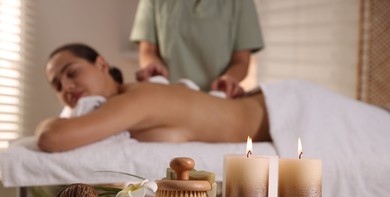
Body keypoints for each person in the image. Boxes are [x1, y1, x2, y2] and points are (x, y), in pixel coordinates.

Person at [36, 43, 270, 153]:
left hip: (280, 108)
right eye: (56, 85)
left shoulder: (135, 99)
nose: (66, 86)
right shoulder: (124, 107)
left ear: (102, 64)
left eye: (72, 72)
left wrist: (49, 122)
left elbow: (51, 137)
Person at [130, 0, 264, 98]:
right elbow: (147, 51)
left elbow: (241, 61)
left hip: (218, 101)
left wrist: (229, 79)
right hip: (166, 100)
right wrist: (152, 67)